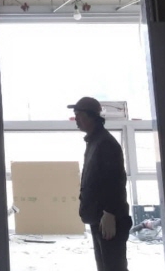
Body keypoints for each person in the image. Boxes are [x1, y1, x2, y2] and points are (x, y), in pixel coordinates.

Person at [68, 96, 132, 271]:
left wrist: (110, 213)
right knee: (105, 266)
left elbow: (116, 180)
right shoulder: (94, 141)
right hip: (99, 218)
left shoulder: (105, 143)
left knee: (114, 267)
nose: (76, 120)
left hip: (109, 219)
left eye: (79, 115)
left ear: (92, 116)